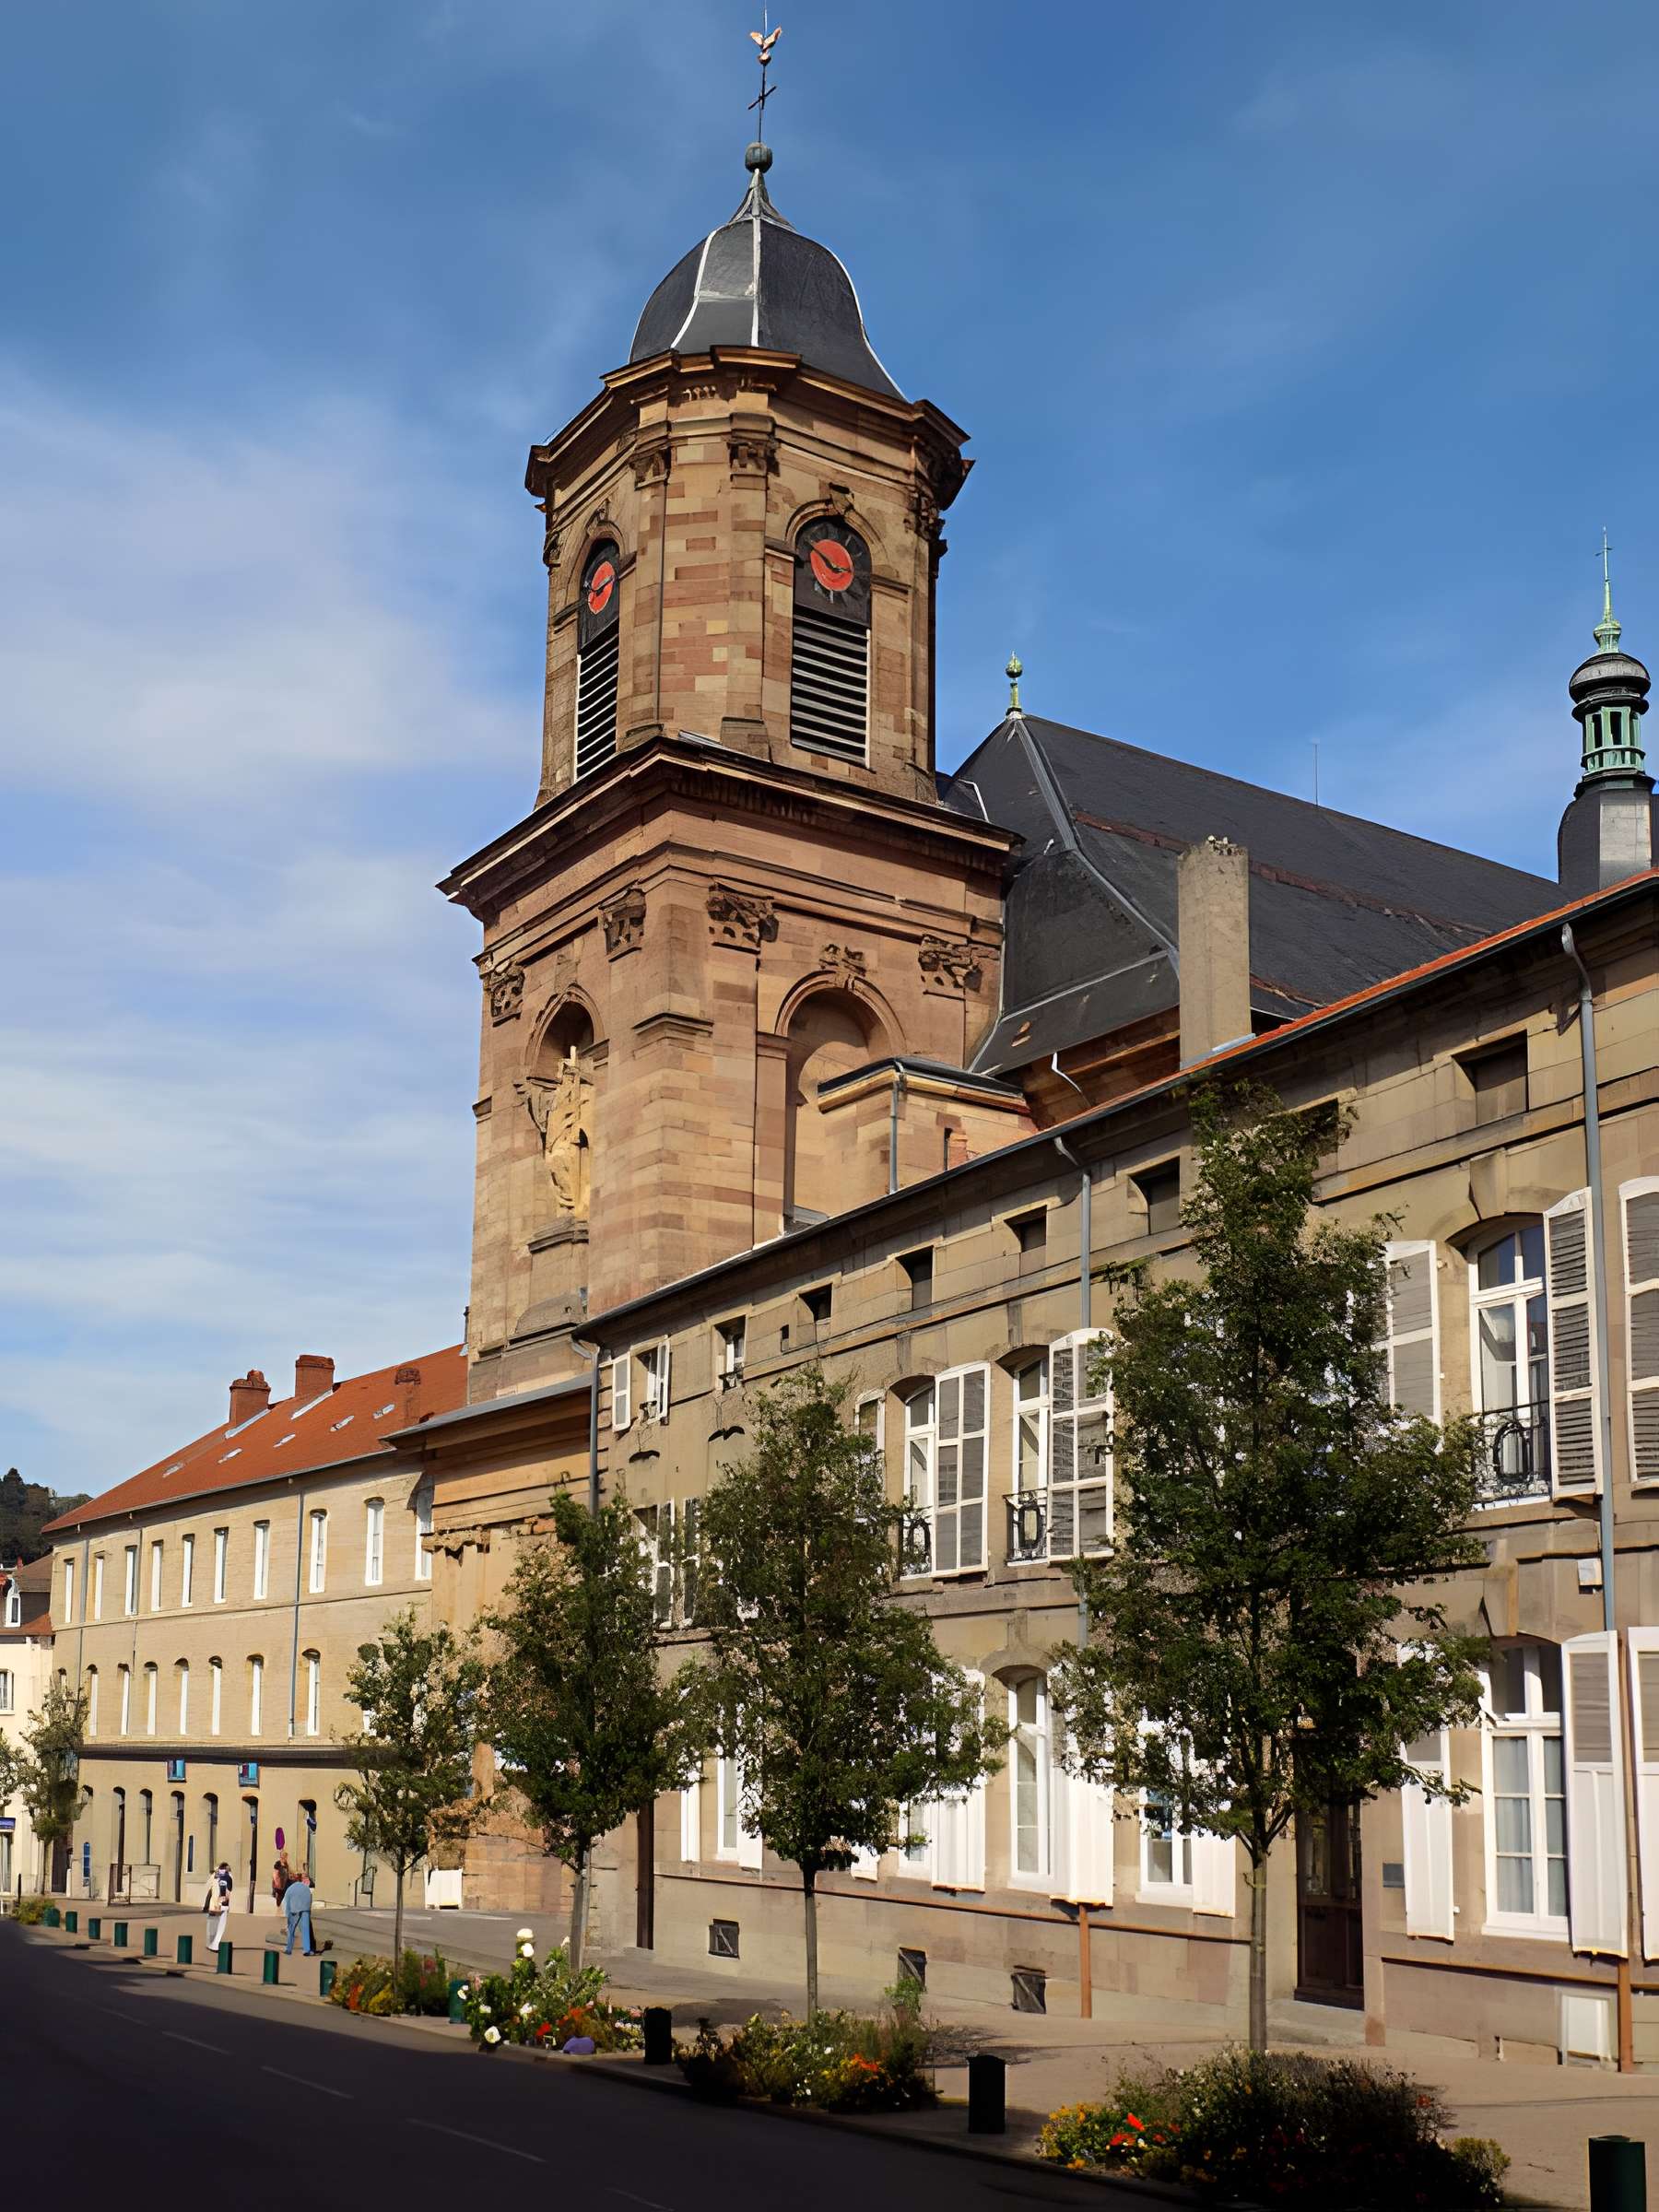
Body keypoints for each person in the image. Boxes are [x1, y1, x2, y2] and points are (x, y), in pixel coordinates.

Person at [282, 1869, 315, 1956]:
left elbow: (286, 1902)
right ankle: (307, 1950)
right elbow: (309, 1899)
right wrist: (308, 1910)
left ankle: (289, 1949)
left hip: (294, 1910)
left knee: (291, 1930)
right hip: (305, 1910)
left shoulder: (290, 1889)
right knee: (305, 1930)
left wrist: (287, 1914)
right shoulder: (306, 1888)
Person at [203, 1859, 232, 1953]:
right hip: (222, 1904)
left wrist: (206, 1904)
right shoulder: (228, 1877)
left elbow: (207, 1888)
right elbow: (228, 1891)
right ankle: (215, 1945)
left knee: (211, 1924)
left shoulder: (214, 1876)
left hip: (213, 1904)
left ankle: (209, 1943)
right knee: (220, 1926)